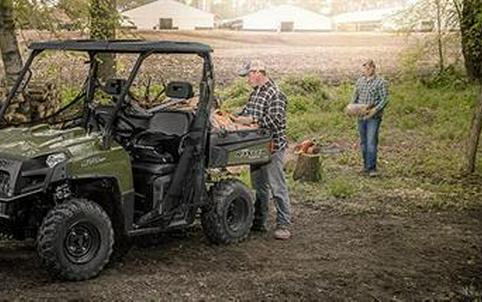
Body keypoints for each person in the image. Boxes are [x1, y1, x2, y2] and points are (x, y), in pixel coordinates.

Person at [233, 59, 292, 240]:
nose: (247, 80)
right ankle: (260, 220)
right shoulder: (256, 93)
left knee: (277, 186)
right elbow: (247, 112)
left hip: (272, 147)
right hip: (257, 146)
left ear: (258, 73)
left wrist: (252, 121)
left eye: (249, 75)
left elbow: (275, 121)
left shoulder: (275, 94)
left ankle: (284, 223)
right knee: (259, 186)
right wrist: (234, 117)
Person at [351, 59, 389, 177]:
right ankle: (365, 167)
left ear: (373, 68)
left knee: (371, 141)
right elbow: (355, 96)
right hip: (361, 116)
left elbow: (385, 99)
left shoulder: (381, 82)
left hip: (373, 117)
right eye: (365, 68)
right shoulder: (360, 81)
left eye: (368, 68)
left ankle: (372, 168)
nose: (366, 71)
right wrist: (352, 108)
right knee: (363, 142)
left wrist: (375, 110)